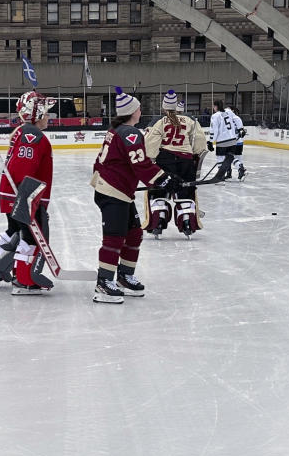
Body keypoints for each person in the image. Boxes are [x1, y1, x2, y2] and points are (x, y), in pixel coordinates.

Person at [89, 88, 181, 303]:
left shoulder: (117, 130)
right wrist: (163, 179)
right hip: (113, 192)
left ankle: (124, 276)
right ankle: (103, 282)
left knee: (134, 234)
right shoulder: (129, 133)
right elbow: (140, 163)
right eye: (139, 107)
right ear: (133, 111)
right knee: (114, 237)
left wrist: (160, 178)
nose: (141, 110)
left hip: (118, 191)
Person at [0, 91, 55, 295]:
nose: (49, 117)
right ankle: (25, 280)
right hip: (24, 196)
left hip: (15, 194)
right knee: (30, 237)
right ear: (36, 113)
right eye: (46, 113)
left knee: (14, 230)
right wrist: (26, 201)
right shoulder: (33, 135)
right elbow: (23, 170)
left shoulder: (25, 131)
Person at [143, 90, 208, 238]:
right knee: (185, 193)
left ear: (164, 108)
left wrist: (150, 159)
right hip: (185, 162)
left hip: (165, 161)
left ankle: (158, 223)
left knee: (159, 192)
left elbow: (151, 143)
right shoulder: (190, 121)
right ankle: (187, 224)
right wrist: (197, 154)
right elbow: (199, 140)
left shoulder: (160, 122)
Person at [208, 99, 239, 180]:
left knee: (220, 158)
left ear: (216, 106)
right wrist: (240, 129)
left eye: (213, 106)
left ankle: (220, 177)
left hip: (222, 141)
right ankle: (241, 168)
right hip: (232, 140)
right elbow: (237, 119)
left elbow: (214, 130)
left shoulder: (215, 116)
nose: (213, 107)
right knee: (230, 157)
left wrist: (210, 142)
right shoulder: (229, 111)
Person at [228, 106, 247, 180]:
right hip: (239, 142)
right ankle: (241, 173)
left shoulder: (230, 119)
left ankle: (230, 173)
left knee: (229, 157)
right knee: (238, 159)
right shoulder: (238, 118)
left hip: (234, 142)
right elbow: (241, 131)